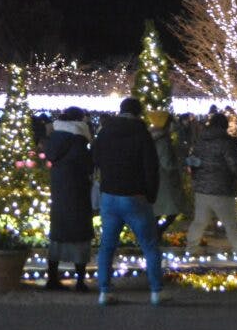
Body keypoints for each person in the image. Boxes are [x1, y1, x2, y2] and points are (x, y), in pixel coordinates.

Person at [92, 97, 163, 306]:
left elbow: (94, 158)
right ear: (138, 113)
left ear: (120, 110)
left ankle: (104, 291)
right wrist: (151, 194)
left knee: (107, 246)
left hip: (109, 195)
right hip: (135, 196)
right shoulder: (142, 134)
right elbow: (151, 167)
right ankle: (156, 291)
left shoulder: (105, 132)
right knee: (149, 245)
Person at [41, 107, 94, 291]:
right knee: (80, 234)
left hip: (59, 189)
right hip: (77, 190)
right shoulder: (78, 140)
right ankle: (80, 281)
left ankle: (52, 278)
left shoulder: (55, 138)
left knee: (58, 232)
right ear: (80, 121)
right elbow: (88, 164)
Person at [184, 112, 237, 253]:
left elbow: (193, 161)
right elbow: (234, 164)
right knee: (231, 222)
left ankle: (191, 248)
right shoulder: (226, 142)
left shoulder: (200, 141)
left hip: (202, 188)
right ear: (224, 125)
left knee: (199, 221)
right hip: (222, 188)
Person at [148, 110, 189, 237]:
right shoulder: (163, 140)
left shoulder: (151, 136)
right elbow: (167, 162)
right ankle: (156, 233)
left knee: (159, 211)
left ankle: (154, 233)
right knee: (174, 209)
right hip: (165, 180)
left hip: (154, 178)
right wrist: (177, 168)